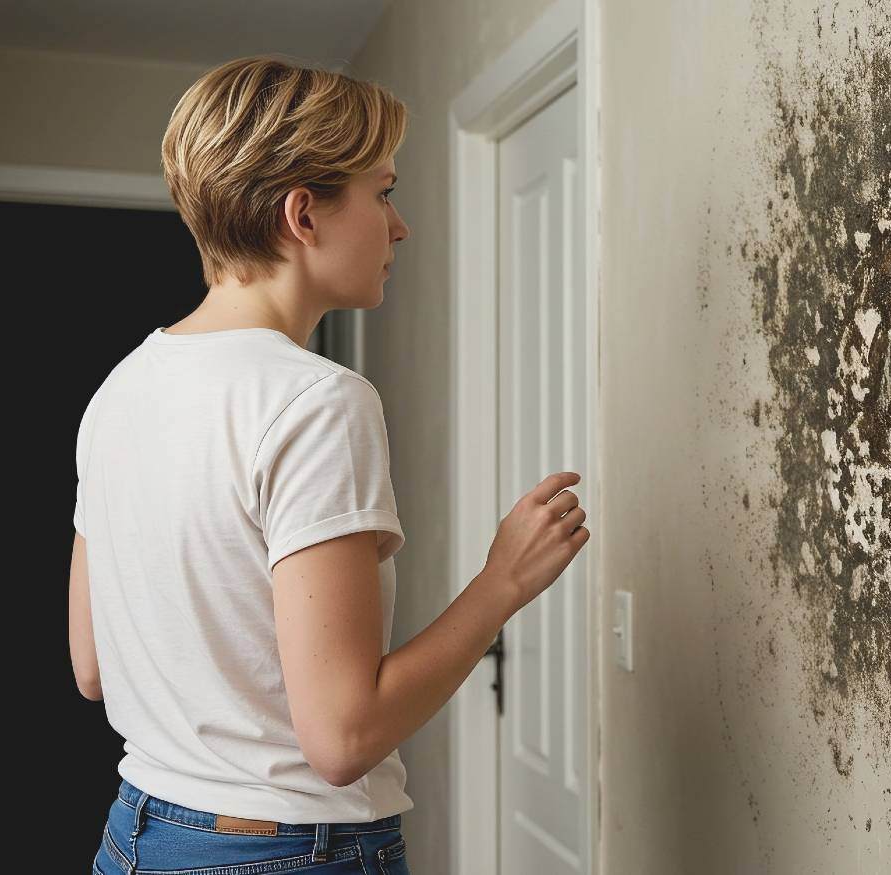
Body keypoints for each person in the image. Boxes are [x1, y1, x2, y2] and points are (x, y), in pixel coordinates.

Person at [72, 55, 589, 874]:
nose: (399, 225)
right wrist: (503, 583)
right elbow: (343, 737)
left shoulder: (121, 388)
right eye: (383, 193)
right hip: (285, 853)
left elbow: (92, 667)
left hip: (135, 836)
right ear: (302, 214)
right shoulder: (317, 402)